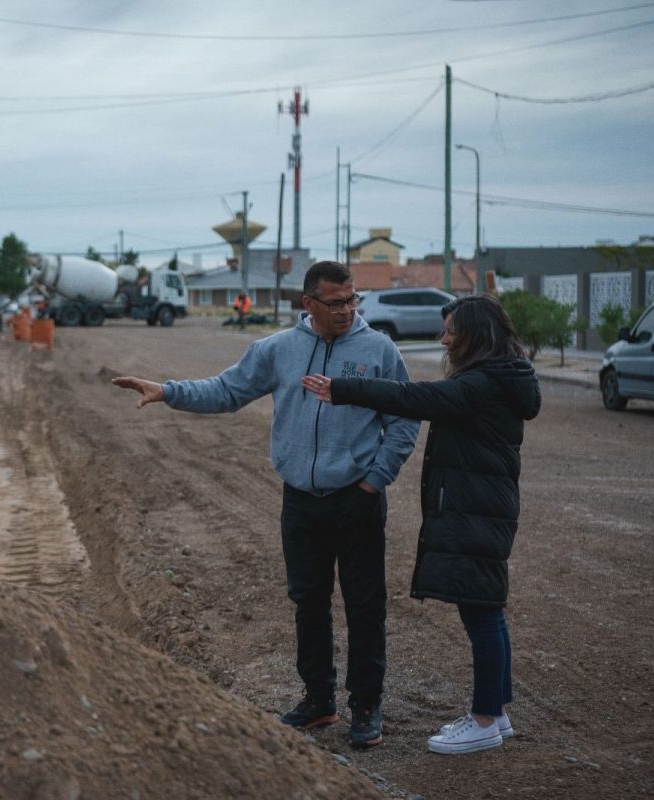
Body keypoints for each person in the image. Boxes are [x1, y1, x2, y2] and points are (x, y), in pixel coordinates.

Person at [112, 261, 419, 748]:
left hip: (356, 500)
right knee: (308, 602)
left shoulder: (379, 350)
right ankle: (319, 701)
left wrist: (374, 480)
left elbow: (404, 420)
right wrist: (167, 391)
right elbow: (226, 390)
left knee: (365, 606)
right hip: (300, 501)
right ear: (309, 304)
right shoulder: (278, 349)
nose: (347, 310)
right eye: (336, 302)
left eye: (352, 299)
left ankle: (366, 705)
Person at [302, 293, 541, 755]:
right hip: (483, 505)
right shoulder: (498, 376)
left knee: (482, 610)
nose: (444, 339)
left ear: (476, 334)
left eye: (451, 331)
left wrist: (345, 388)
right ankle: (498, 712)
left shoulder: (483, 384)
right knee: (486, 607)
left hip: (478, 508)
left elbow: (418, 397)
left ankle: (485, 719)